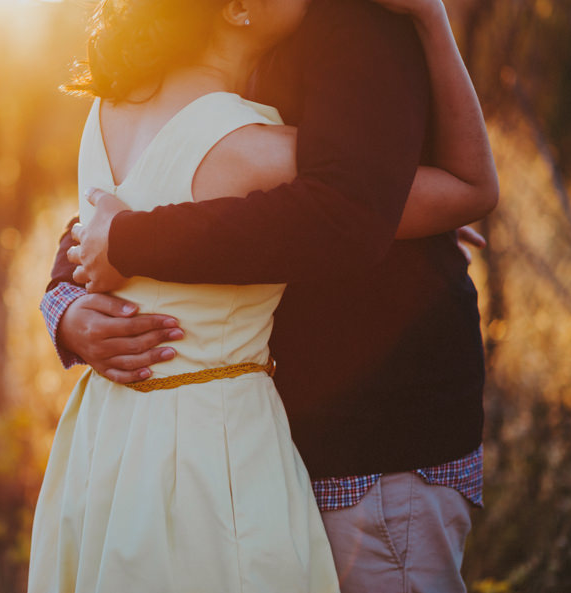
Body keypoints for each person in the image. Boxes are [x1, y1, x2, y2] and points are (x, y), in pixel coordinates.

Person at [37, 1, 498, 592]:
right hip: (234, 445)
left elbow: (352, 208)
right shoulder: (235, 128)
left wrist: (129, 240)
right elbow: (107, 212)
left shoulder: (124, 105)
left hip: (365, 446)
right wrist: (64, 306)